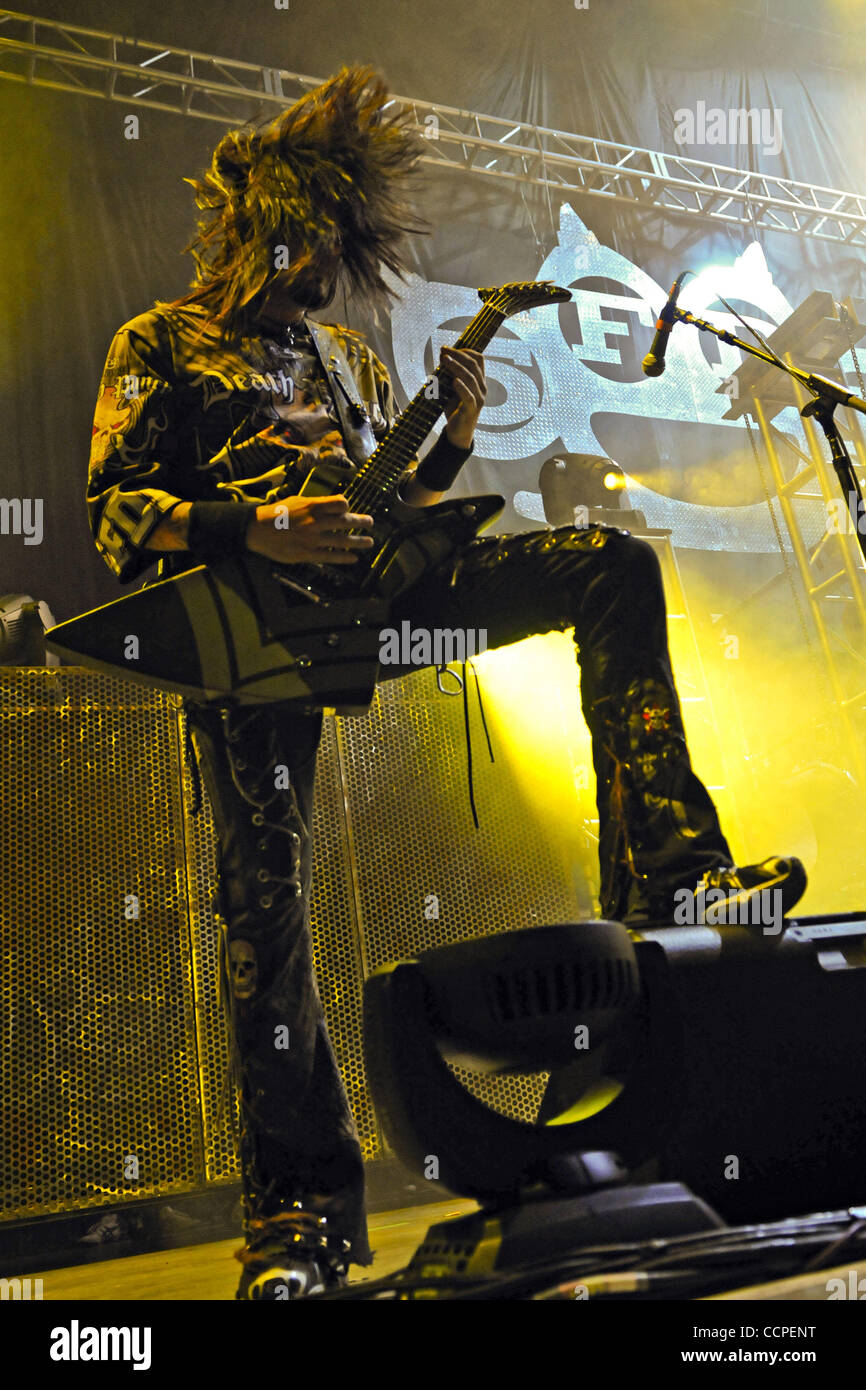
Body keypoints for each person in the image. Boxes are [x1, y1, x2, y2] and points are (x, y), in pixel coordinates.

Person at [86, 64, 806, 1299]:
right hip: (248, 636)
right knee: (266, 920)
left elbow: (397, 502)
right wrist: (250, 528)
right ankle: (297, 1221)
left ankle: (675, 872)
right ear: (257, 221)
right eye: (298, 245)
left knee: (608, 564)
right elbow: (113, 515)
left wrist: (457, 438)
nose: (311, 275)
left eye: (329, 256)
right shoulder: (158, 343)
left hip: (380, 602)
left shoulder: (349, 357)